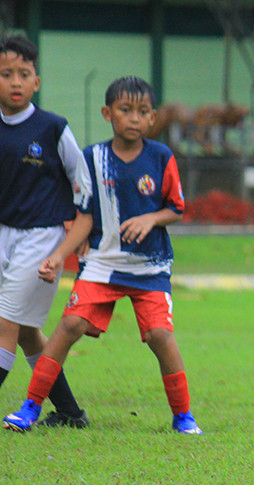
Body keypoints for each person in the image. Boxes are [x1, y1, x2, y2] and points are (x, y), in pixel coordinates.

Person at [3, 76, 202, 435]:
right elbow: (85, 217)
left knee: (160, 335)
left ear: (153, 118)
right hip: (102, 264)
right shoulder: (92, 158)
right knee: (69, 326)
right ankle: (30, 407)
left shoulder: (161, 157)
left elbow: (176, 207)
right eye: (126, 110)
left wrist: (150, 218)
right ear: (108, 113)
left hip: (149, 267)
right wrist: (60, 255)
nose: (134, 118)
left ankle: (183, 416)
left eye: (143, 112)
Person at [0, 33, 88, 428]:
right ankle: (70, 412)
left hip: (41, 238)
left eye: (24, 73)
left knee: (4, 324)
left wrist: (70, 246)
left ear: (37, 81)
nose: (15, 81)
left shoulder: (53, 128)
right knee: (26, 332)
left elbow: (84, 193)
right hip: (3, 234)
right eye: (5, 74)